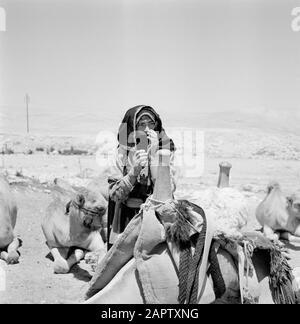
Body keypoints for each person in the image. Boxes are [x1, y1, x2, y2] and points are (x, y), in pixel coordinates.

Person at [107, 105, 176, 249]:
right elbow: (115, 194)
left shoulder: (165, 149)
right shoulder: (121, 152)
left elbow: (169, 189)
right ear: (132, 127)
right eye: (141, 124)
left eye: (151, 124)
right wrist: (134, 170)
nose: (147, 129)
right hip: (127, 218)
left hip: (158, 215)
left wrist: (155, 155)